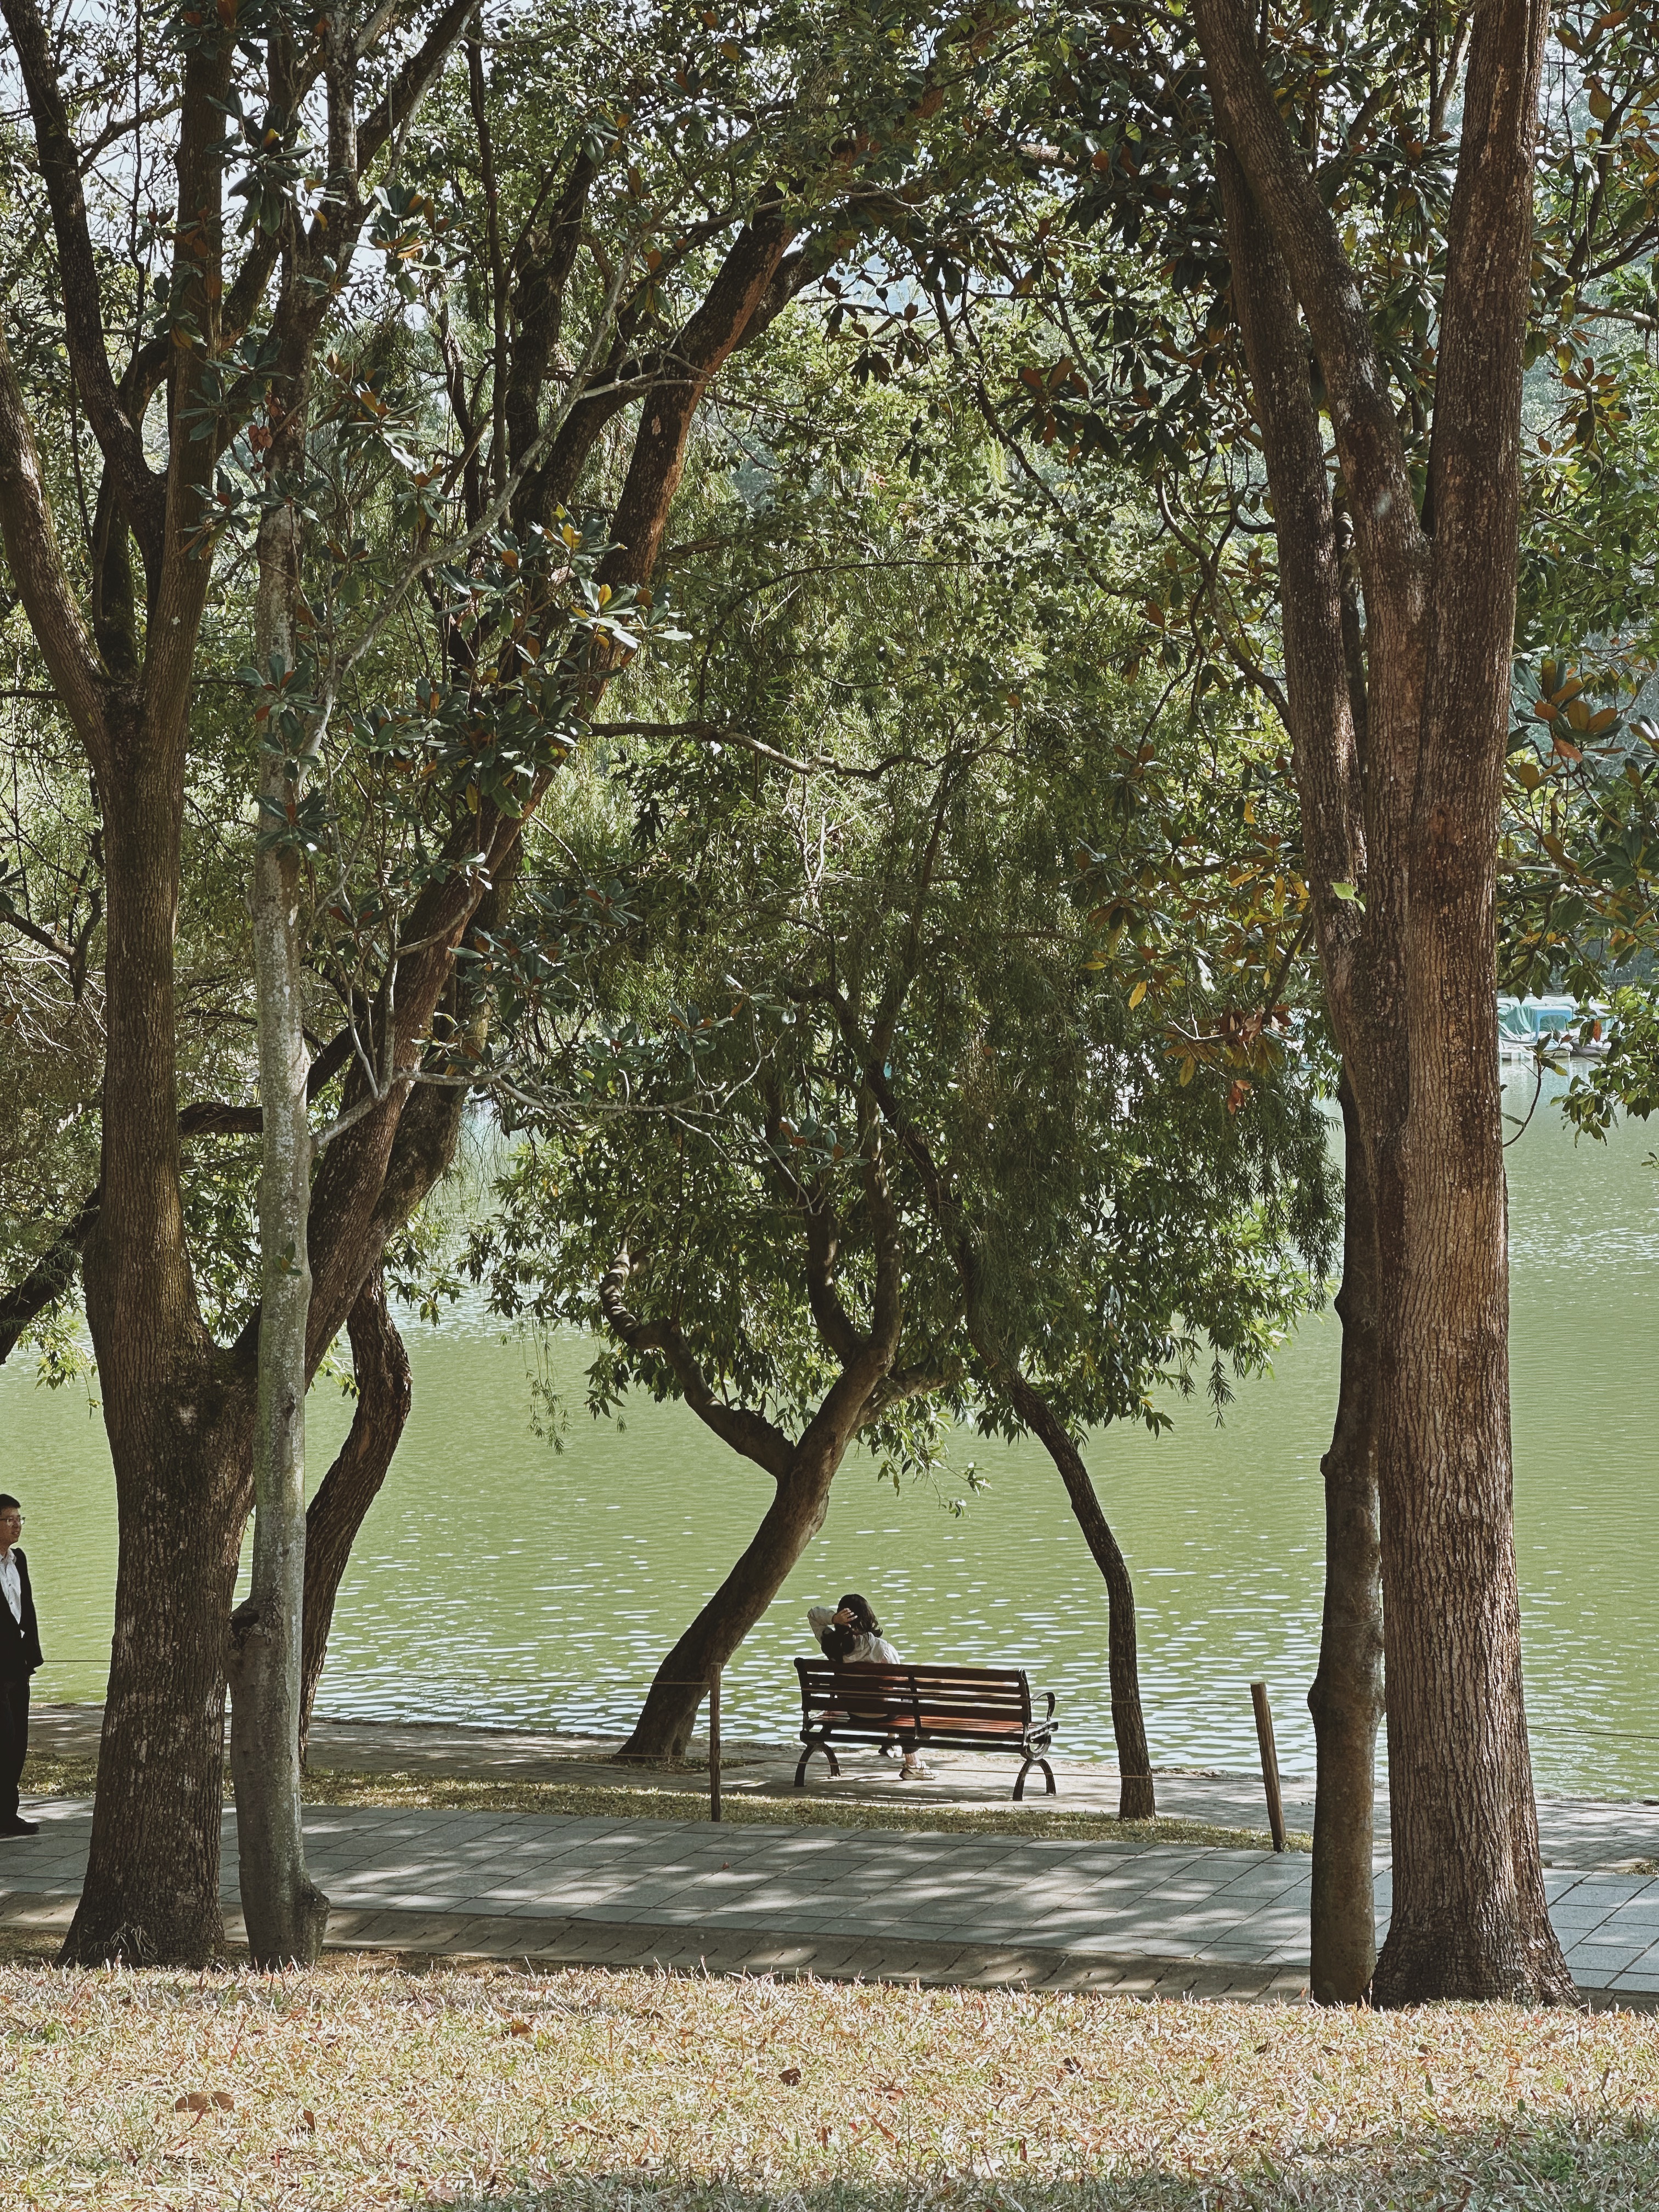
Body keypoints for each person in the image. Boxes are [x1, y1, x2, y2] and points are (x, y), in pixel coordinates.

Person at [806, 1593, 931, 1779]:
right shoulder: (882, 1649)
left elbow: (813, 1615)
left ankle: (892, 1741)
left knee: (900, 1698)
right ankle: (912, 1763)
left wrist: (834, 1619)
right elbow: (902, 1682)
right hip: (885, 1712)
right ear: (868, 1617)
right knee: (915, 1703)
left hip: (854, 1711)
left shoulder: (832, 1646)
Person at [0, 1494, 42, 1838]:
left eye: (19, 1518)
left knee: (17, 1745)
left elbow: (25, 1608)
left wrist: (32, 1654)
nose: (17, 1525)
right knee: (4, 1737)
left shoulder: (19, 1560)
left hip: (18, 1665)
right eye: (9, 1519)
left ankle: (7, 1816)